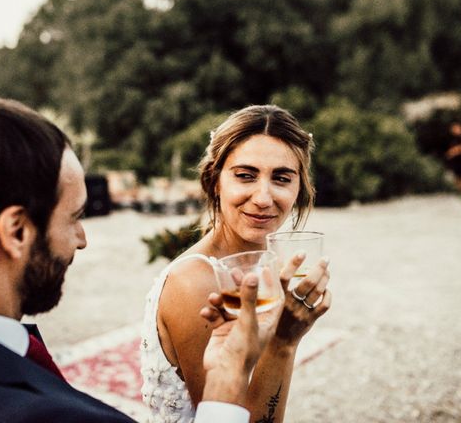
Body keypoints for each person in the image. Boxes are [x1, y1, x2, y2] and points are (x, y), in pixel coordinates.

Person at [0, 97, 281, 423]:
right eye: (75, 217)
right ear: (18, 232)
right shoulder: (54, 418)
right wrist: (226, 388)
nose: (81, 240)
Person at [141, 104, 332, 422]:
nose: (263, 197)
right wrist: (284, 341)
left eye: (282, 178)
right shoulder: (195, 282)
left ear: (299, 188)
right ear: (215, 180)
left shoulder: (267, 266)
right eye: (245, 176)